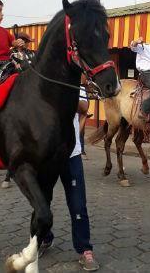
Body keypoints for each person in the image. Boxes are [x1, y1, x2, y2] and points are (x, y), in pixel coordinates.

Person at [38, 90, 99, 271]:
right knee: (41, 202)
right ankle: (43, 238)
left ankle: (85, 249)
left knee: (78, 205)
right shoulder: (44, 82)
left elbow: (84, 107)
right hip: (47, 155)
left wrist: (65, 93)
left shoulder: (73, 85)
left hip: (72, 154)